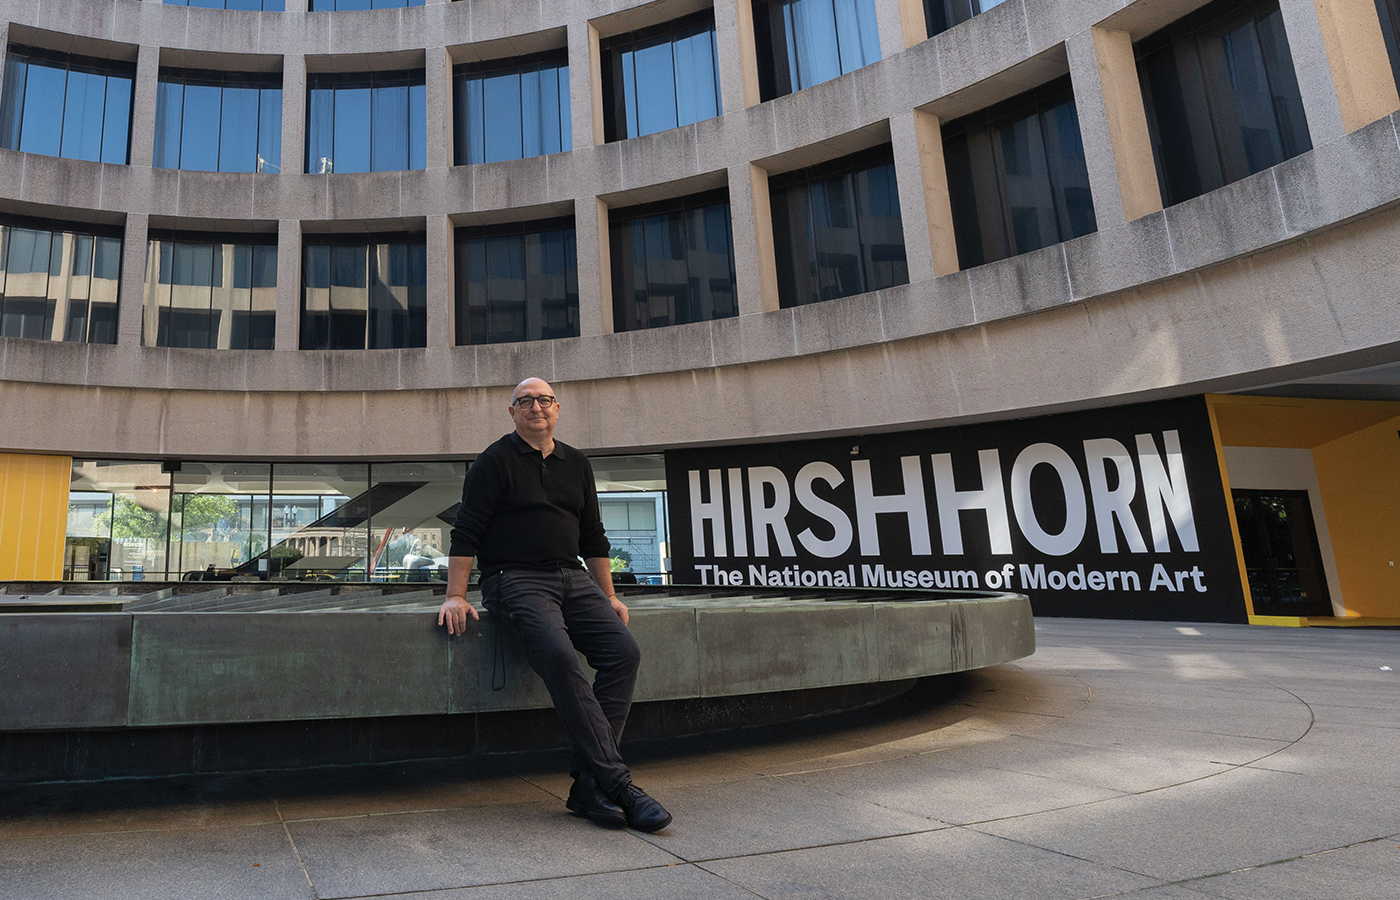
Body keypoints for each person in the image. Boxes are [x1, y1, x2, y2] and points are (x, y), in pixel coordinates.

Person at [437, 377, 672, 832]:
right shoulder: (493, 461)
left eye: (544, 400)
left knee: (624, 653)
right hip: (514, 579)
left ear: (557, 409)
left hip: (574, 577)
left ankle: (588, 783)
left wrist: (608, 595)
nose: (536, 408)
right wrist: (455, 595)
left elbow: (593, 536)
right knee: (560, 656)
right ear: (512, 412)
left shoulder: (576, 463)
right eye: (525, 401)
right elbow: (466, 532)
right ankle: (618, 784)